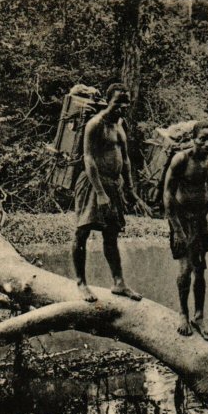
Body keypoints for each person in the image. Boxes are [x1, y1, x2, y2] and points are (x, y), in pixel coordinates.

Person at [72, 83, 144, 302]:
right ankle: (81, 283)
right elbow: (89, 159)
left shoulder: (119, 125)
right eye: (117, 103)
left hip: (114, 185)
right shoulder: (95, 124)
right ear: (108, 101)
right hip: (93, 184)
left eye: (126, 103)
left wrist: (130, 188)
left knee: (111, 234)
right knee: (82, 231)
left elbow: (126, 159)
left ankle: (119, 283)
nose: (121, 108)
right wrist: (100, 193)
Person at [164, 121, 208, 340]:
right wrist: (177, 230)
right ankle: (183, 313)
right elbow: (168, 196)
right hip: (181, 219)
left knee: (200, 269)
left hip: (201, 219)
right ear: (193, 139)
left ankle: (199, 316)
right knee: (185, 268)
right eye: (203, 139)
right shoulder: (181, 159)